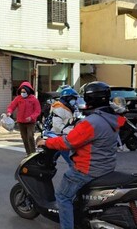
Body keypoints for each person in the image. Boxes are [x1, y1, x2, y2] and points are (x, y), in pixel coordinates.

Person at [36, 81, 127, 229]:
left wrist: (46, 143)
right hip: (106, 167)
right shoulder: (111, 118)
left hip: (88, 170)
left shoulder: (92, 122)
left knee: (62, 196)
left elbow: (67, 143)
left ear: (90, 99)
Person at [48, 87, 80, 166]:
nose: (74, 101)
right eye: (73, 98)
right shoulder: (59, 108)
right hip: (58, 136)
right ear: (67, 98)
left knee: (52, 159)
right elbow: (57, 125)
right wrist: (71, 132)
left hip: (64, 136)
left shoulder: (69, 108)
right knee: (71, 161)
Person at [6, 82, 41, 155]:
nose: (23, 93)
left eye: (24, 92)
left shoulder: (34, 99)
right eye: (21, 91)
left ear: (28, 91)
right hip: (21, 121)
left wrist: (31, 117)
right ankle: (28, 153)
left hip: (31, 122)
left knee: (30, 136)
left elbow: (37, 111)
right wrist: (9, 112)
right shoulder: (18, 98)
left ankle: (33, 152)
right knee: (24, 138)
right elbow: (12, 106)